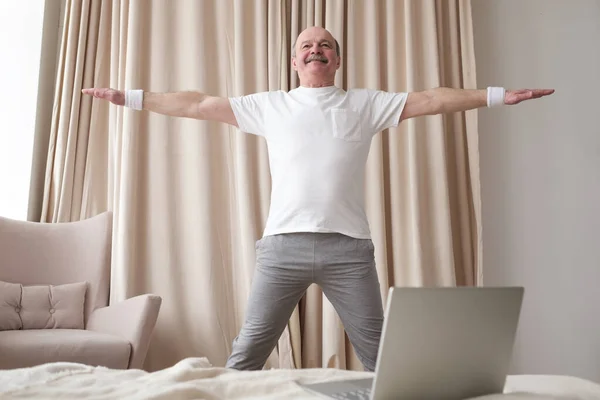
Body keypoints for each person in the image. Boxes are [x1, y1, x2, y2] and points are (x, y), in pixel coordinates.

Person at [82, 26, 553, 371]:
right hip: (281, 248)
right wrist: (131, 97)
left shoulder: (366, 105)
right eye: (307, 45)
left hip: (348, 250)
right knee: (246, 354)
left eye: (325, 45)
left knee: (380, 356)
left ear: (337, 60)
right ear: (295, 61)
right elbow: (196, 103)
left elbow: (432, 100)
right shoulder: (270, 106)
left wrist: (496, 96)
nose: (316, 50)